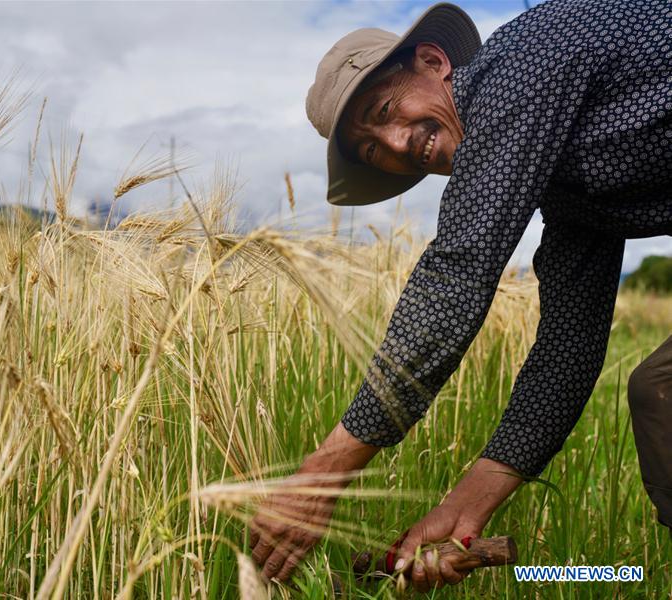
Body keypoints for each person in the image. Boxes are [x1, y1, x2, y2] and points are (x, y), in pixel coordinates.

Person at [248, 0, 672, 592]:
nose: (396, 143)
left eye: (386, 109)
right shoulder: (568, 188)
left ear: (432, 61)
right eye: (372, 150)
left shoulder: (519, 64)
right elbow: (566, 350)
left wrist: (322, 474)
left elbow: (457, 273)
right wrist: (465, 511)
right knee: (660, 392)